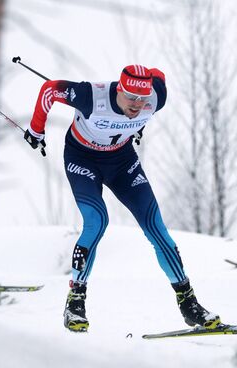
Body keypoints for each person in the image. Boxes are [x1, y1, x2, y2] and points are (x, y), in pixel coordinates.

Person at [24, 65, 220, 332]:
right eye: (131, 98)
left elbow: (158, 74)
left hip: (122, 162)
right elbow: (50, 90)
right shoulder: (91, 96)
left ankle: (189, 303)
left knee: (156, 228)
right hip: (83, 160)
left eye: (143, 98)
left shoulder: (155, 97)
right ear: (119, 89)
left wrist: (134, 126)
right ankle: (75, 301)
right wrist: (37, 130)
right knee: (96, 221)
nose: (138, 105)